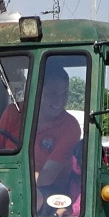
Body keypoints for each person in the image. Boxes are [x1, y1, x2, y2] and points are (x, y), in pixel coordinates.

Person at [33, 66, 80, 194]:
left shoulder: (70, 126)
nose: (59, 102)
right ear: (36, 91)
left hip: (50, 192)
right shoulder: (13, 113)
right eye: (52, 94)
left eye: (64, 94)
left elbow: (47, 177)